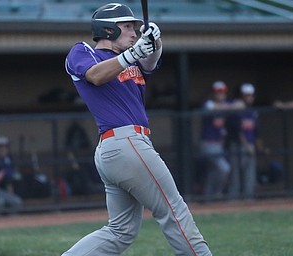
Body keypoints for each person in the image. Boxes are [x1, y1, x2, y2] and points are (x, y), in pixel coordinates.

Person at [63, 3, 212, 256]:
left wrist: (155, 40)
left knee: (121, 231)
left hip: (123, 148)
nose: (134, 33)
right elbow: (96, 76)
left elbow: (150, 62)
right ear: (108, 30)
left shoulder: (127, 58)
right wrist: (132, 54)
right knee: (173, 210)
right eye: (128, 27)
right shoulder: (84, 51)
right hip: (124, 141)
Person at [200, 81, 244, 200]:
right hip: (209, 144)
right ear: (213, 93)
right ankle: (216, 193)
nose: (221, 95)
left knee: (214, 171)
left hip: (219, 145)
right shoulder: (208, 103)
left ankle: (208, 197)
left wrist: (228, 107)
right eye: (218, 92)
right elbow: (213, 107)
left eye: (223, 92)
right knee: (224, 168)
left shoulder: (227, 103)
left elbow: (241, 104)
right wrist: (229, 107)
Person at [226, 83, 267, 200]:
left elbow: (257, 132)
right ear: (242, 96)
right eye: (247, 95)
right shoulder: (237, 109)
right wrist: (247, 145)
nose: (250, 97)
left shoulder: (253, 111)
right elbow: (237, 130)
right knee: (236, 177)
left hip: (250, 146)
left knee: (250, 177)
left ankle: (249, 201)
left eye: (251, 95)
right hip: (238, 146)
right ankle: (232, 202)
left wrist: (259, 148)